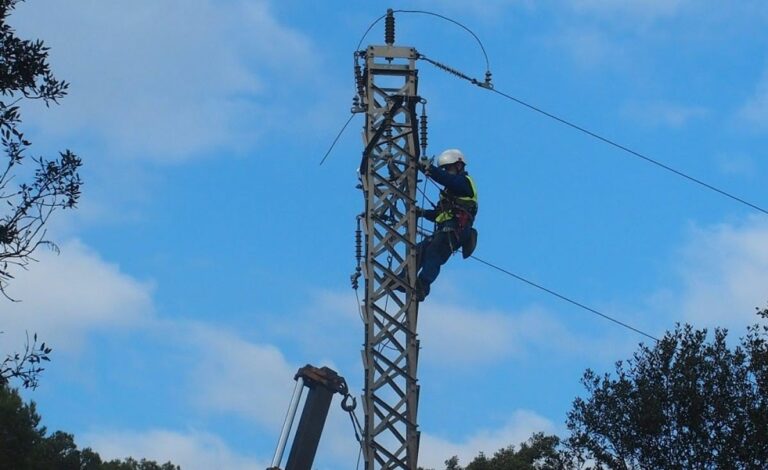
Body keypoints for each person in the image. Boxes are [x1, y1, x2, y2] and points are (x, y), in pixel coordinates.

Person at [413, 148, 478, 301]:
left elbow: (448, 180)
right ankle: (404, 277)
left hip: (457, 229)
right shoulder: (450, 192)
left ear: (459, 166)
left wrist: (430, 169)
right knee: (419, 250)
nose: (446, 172)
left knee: (434, 252)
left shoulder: (465, 183)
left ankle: (422, 285)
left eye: (447, 168)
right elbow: (439, 214)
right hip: (445, 229)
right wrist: (422, 213)